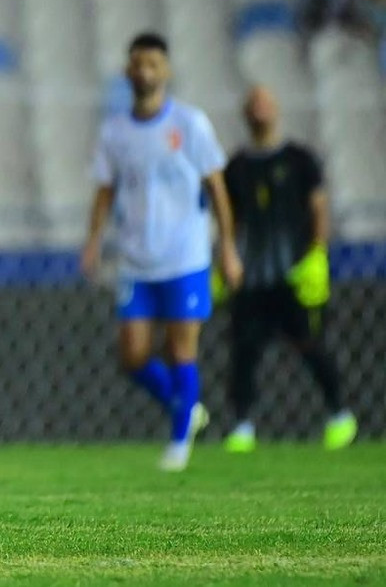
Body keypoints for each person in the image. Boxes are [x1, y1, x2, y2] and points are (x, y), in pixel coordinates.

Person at [80, 33, 243, 472]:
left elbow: (217, 188)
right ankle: (185, 407)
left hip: (185, 258)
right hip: (136, 259)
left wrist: (227, 246)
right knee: (132, 356)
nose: (143, 70)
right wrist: (93, 239)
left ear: (166, 70)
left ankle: (177, 444)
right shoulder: (115, 131)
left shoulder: (190, 124)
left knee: (180, 350)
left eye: (152, 62)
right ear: (127, 71)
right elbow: (104, 190)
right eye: (136, 63)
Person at [219, 86, 357, 453]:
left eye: (265, 102)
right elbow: (227, 219)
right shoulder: (237, 167)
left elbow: (319, 208)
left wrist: (316, 255)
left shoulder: (299, 159)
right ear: (245, 113)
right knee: (244, 352)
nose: (259, 109)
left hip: (294, 275)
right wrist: (225, 257)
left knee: (311, 344)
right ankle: (242, 424)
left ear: (276, 108)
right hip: (252, 277)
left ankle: (339, 414)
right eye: (253, 104)